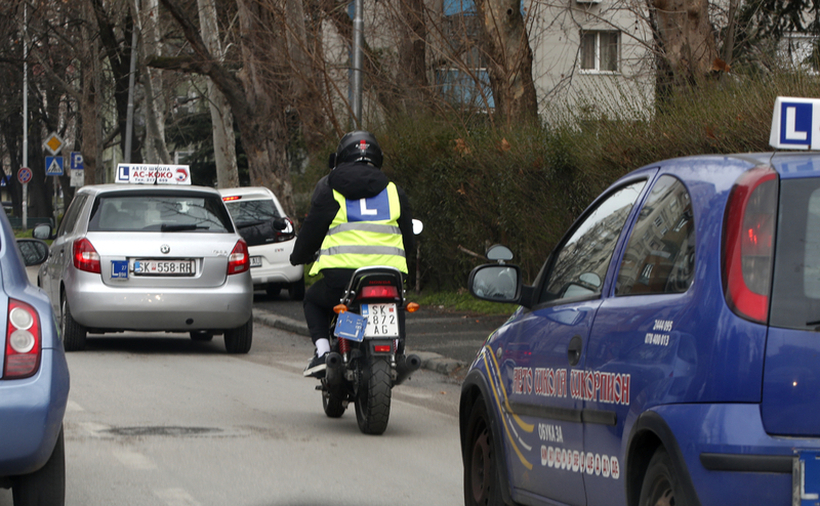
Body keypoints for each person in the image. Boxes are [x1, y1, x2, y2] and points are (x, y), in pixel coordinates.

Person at [289, 131, 415, 377]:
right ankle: (397, 350)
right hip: (388, 274)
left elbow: (313, 230)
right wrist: (405, 264)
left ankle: (324, 353)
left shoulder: (329, 189)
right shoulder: (394, 192)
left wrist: (298, 256)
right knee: (396, 304)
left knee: (313, 300)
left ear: (341, 158)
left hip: (343, 279)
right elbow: (408, 238)